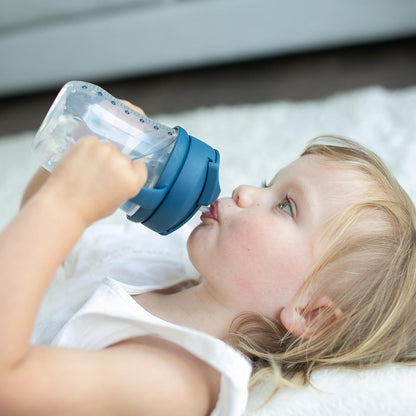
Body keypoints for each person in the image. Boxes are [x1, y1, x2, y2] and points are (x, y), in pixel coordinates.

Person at [0, 105, 415, 415]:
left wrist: (68, 206)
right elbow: (35, 218)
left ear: (311, 314)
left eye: (285, 205)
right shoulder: (154, 261)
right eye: (269, 183)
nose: (245, 191)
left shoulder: (180, 376)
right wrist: (95, 147)